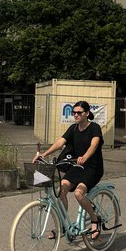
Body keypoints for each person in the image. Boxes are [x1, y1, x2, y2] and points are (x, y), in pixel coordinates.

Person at [33, 101, 104, 240]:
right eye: (74, 112)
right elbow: (60, 142)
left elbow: (94, 145)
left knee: (78, 193)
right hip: (77, 167)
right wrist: (44, 154)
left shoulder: (94, 128)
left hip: (92, 168)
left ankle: (95, 220)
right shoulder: (73, 128)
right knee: (61, 191)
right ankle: (63, 224)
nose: (76, 115)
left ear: (87, 113)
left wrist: (85, 156)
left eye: (79, 112)